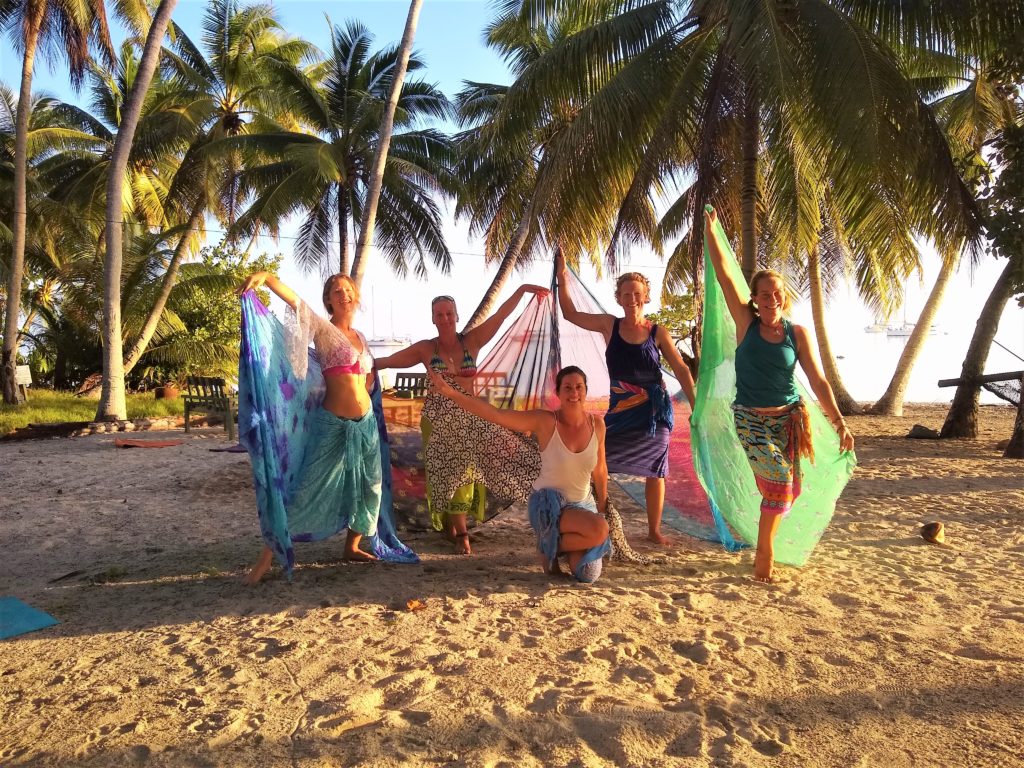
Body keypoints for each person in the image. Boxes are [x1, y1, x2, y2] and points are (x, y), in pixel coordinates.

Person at [703, 206, 855, 582]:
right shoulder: (746, 325)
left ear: (784, 298)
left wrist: (839, 422)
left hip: (790, 420)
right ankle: (764, 557)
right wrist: (712, 232)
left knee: (789, 491)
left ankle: (763, 540)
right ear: (754, 298)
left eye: (777, 293)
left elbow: (818, 381)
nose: (771, 298)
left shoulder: (796, 333)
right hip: (751, 419)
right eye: (764, 294)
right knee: (780, 487)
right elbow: (724, 274)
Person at [375, 284, 549, 554]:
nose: (445, 318)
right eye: (439, 314)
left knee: (467, 474)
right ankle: (457, 531)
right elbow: (387, 361)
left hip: (471, 416)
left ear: (456, 316)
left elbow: (500, 316)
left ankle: (459, 530)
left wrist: (523, 289)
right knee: (449, 474)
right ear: (433, 318)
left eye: (449, 313)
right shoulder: (425, 349)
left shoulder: (472, 341)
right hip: (439, 420)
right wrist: (359, 362)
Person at [235, 271, 381, 584]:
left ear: (355, 296)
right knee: (307, 489)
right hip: (333, 423)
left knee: (367, 486)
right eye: (336, 291)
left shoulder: (362, 338)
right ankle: (266, 557)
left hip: (364, 423)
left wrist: (366, 390)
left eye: (348, 290)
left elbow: (365, 379)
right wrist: (268, 278)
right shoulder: (323, 328)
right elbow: (295, 302)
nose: (343, 295)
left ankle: (351, 547)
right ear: (329, 299)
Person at [555, 251, 696, 546]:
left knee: (656, 471)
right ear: (618, 298)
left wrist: (695, 405)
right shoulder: (610, 325)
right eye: (626, 293)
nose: (632, 298)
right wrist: (562, 277)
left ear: (645, 298)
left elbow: (681, 369)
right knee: (596, 460)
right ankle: (591, 516)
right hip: (620, 409)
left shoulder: (658, 332)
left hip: (654, 413)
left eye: (637, 293)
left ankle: (653, 530)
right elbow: (570, 313)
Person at [430, 365, 611, 582]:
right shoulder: (545, 421)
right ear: (558, 393)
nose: (574, 393)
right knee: (600, 530)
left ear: (585, 390)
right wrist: (451, 393)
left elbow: (600, 468)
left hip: (583, 506)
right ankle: (548, 544)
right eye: (568, 387)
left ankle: (552, 544)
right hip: (549, 505)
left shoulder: (597, 425)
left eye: (579, 387)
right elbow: (496, 415)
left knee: (587, 574)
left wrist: (603, 501)